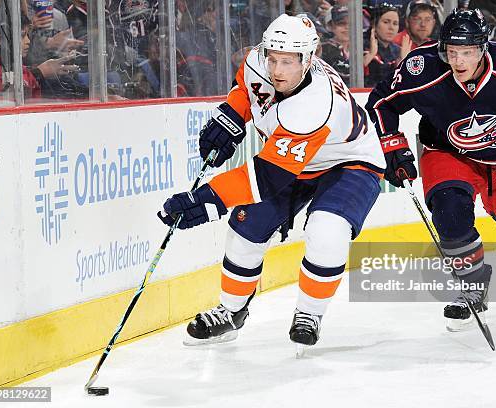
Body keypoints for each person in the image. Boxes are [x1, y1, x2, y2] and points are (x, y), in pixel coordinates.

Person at [158, 14, 385, 348]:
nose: (277, 71)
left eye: (288, 62)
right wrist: (232, 115)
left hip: (349, 162)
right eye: (273, 59)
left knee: (327, 231)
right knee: (245, 229)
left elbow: (267, 178)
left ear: (309, 59)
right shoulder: (259, 61)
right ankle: (231, 312)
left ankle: (309, 312)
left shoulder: (315, 105)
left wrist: (208, 200)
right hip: (293, 162)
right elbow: (246, 88)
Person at [365, 9, 496, 330]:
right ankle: (472, 284)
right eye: (452, 52)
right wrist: (393, 146)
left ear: (483, 49)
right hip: (449, 153)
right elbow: (381, 102)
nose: (458, 61)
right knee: (449, 216)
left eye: (468, 53)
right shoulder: (423, 68)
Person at [363, 2, 405, 87]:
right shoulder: (361, 46)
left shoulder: (398, 51)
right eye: (386, 22)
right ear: (374, 24)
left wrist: (402, 62)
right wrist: (371, 54)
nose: (391, 28)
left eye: (395, 23)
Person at [321, 6, 351, 85]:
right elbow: (344, 76)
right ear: (330, 26)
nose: (347, 27)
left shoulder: (359, 49)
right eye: (341, 23)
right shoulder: (325, 48)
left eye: (351, 23)